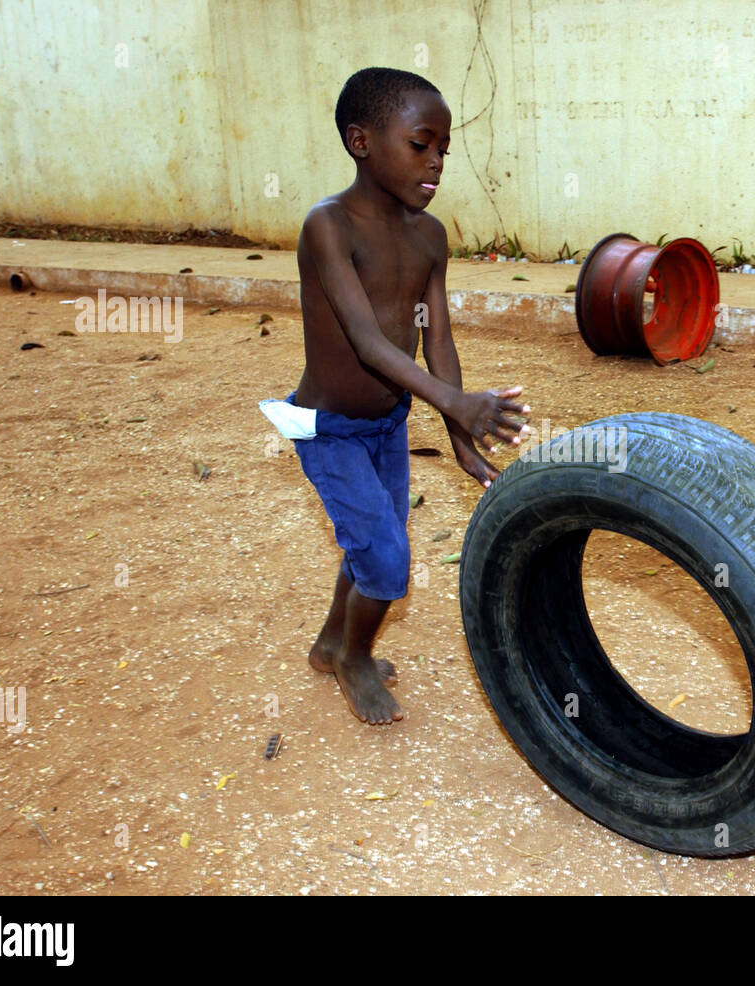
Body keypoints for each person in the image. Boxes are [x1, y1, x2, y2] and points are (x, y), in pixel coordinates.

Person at [260, 67, 529, 724]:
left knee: (373, 541)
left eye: (444, 147)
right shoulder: (329, 226)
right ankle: (355, 656)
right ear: (361, 140)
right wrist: (457, 402)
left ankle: (331, 643)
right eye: (420, 143)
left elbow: (435, 338)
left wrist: (459, 434)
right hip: (327, 429)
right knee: (386, 559)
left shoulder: (429, 238)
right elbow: (367, 343)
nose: (436, 160)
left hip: (386, 424)